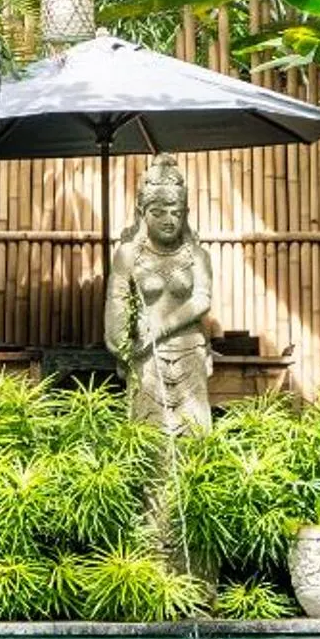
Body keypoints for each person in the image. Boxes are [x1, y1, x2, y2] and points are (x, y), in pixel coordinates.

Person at [104, 155, 214, 432]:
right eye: (159, 212)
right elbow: (116, 302)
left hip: (189, 351)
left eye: (176, 212)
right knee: (147, 433)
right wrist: (122, 343)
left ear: (185, 214)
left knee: (194, 434)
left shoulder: (197, 255)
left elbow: (202, 299)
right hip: (146, 354)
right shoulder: (128, 255)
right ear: (143, 213)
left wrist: (162, 327)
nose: (169, 220)